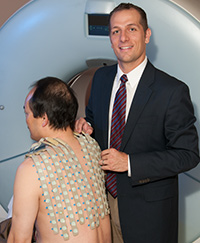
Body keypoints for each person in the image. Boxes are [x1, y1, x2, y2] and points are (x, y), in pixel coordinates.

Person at [75, 3, 200, 243]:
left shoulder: (172, 91)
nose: (123, 38)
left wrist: (129, 163)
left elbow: (187, 154)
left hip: (148, 213)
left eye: (131, 29)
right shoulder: (100, 79)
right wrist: (85, 128)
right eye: (115, 31)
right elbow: (95, 123)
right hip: (99, 206)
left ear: (146, 34)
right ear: (110, 38)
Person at [8, 77, 111, 243]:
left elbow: (19, 238)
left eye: (27, 113)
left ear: (44, 119)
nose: (26, 119)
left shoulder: (32, 167)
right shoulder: (91, 146)